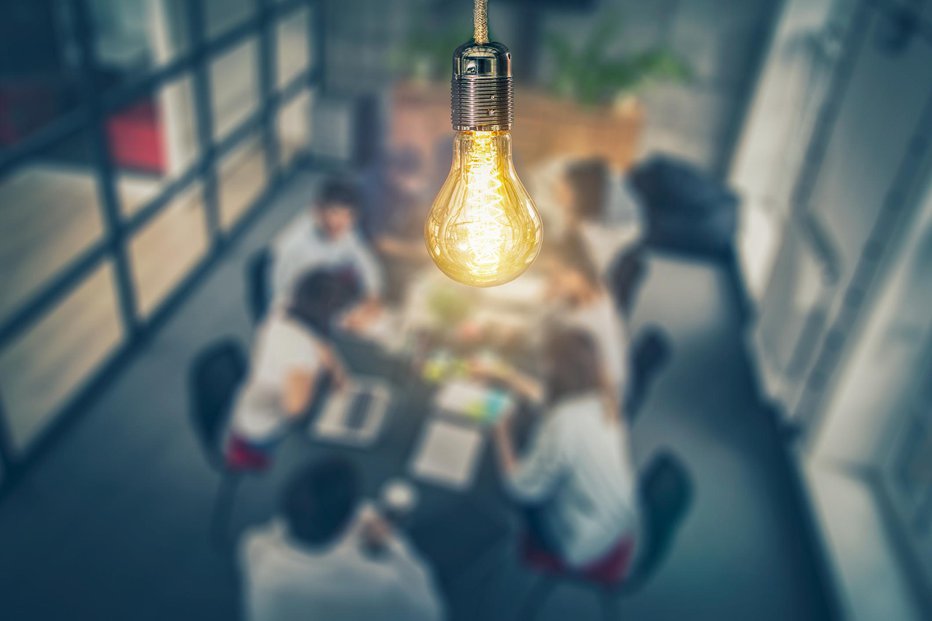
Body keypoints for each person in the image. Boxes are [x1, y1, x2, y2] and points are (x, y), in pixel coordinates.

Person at [477, 328, 640, 572]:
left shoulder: (564, 423)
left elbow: (519, 487)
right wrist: (508, 377)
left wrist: (501, 430)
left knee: (491, 480)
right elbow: (551, 401)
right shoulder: (603, 399)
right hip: (614, 520)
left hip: (580, 540)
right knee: (532, 444)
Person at [240, 458, 444, 621]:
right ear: (345, 525)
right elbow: (432, 613)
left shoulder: (254, 547)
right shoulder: (378, 584)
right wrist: (391, 545)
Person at [226, 269, 358, 470]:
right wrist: (317, 375)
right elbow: (296, 410)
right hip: (260, 431)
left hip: (249, 402)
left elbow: (321, 344)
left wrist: (336, 370)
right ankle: (253, 457)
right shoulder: (301, 355)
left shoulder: (285, 305)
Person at [271, 176, 383, 329]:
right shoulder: (293, 248)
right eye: (334, 213)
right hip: (300, 322)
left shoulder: (343, 230)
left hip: (330, 308)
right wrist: (340, 322)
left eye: (349, 215)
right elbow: (284, 305)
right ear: (317, 209)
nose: (341, 222)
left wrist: (372, 297)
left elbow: (366, 263)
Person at [541, 234, 629, 400]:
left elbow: (546, 346)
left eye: (557, 277)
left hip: (590, 396)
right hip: (589, 386)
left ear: (578, 274)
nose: (551, 283)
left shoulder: (582, 325)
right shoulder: (597, 293)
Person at [553, 158, 644, 278]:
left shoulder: (600, 234)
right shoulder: (579, 226)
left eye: (565, 189)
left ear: (581, 192)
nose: (557, 195)